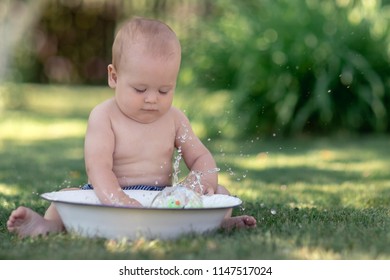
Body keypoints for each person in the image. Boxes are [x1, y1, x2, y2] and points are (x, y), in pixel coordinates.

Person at [7, 17, 256, 238]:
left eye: (164, 90)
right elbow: (98, 167)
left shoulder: (175, 118)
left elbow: (203, 159)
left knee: (219, 192)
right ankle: (48, 225)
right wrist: (118, 200)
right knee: (67, 195)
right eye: (140, 89)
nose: (151, 99)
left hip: (161, 199)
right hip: (109, 193)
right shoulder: (104, 116)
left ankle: (219, 223)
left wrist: (197, 183)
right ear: (114, 77)